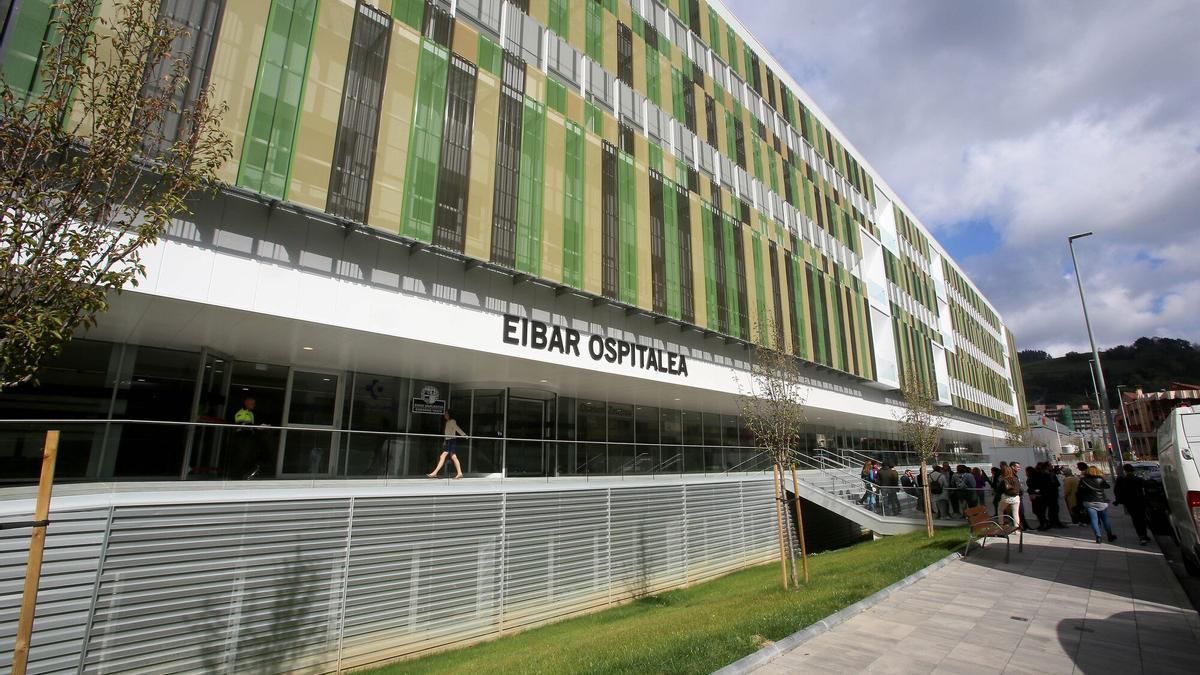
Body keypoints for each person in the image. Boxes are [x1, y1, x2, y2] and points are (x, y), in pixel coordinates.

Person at [1114, 463, 1151, 545]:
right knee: (1142, 518)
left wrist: (1118, 500)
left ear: (1125, 471)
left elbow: (1117, 491)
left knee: (1135, 519)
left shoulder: (1121, 480)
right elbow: (1147, 487)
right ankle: (1144, 535)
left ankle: (1142, 536)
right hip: (1140, 501)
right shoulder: (1139, 479)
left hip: (1129, 503)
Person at [1078, 466, 1117, 544]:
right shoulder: (1100, 479)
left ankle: (1098, 537)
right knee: (1105, 520)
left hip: (1089, 502)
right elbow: (1107, 486)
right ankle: (1109, 535)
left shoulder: (1083, 480)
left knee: (1094, 520)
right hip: (1101, 501)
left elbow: (1080, 491)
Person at [427, 410, 469, 479]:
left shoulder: (452, 421)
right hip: (448, 441)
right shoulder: (448, 422)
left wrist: (464, 435)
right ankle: (459, 473)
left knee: (443, 456)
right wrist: (445, 440)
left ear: (450, 414)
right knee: (453, 457)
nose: (445, 415)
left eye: (446, 414)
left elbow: (457, 428)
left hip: (451, 441)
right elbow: (447, 433)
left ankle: (435, 473)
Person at [232, 397, 262, 479]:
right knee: (241, 457)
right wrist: (257, 427)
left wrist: (257, 428)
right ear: (246, 403)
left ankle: (245, 474)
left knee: (248, 456)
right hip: (242, 437)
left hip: (249, 437)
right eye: (252, 403)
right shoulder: (241, 412)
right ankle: (237, 477)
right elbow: (242, 425)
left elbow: (250, 425)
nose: (254, 405)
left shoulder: (250, 413)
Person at [999, 464, 1022, 529]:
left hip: (1006, 498)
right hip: (1016, 497)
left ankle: (1001, 524)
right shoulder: (1015, 479)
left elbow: (999, 490)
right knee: (1015, 513)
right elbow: (1021, 489)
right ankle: (1017, 528)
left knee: (1000, 510)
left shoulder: (1004, 480)